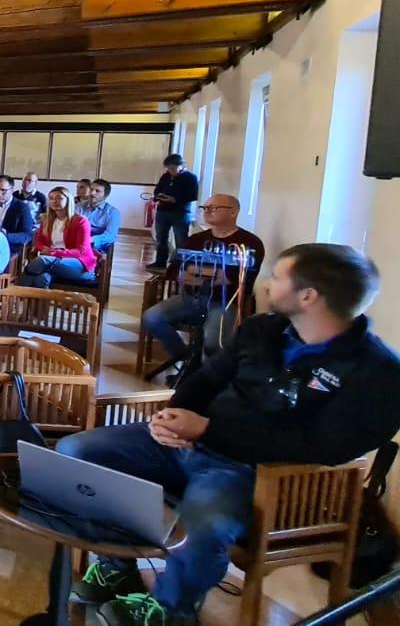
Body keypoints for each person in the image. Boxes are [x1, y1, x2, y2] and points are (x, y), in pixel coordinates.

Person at [61, 243, 400, 626]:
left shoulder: (378, 373)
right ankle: (117, 567)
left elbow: (324, 446)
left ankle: (171, 607)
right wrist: (172, 416)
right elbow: (207, 379)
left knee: (206, 524)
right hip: (191, 443)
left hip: (258, 474)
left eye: (277, 277)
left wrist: (209, 428)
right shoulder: (263, 329)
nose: (267, 284)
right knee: (77, 452)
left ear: (308, 296)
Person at [143, 193, 266, 365]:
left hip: (224, 302)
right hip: (190, 298)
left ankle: (209, 374)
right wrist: (207, 275)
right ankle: (186, 359)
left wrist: (196, 272)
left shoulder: (250, 243)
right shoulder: (196, 240)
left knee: (213, 342)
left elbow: (239, 280)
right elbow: (175, 270)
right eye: (205, 207)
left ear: (233, 212)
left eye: (213, 208)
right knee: (151, 318)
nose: (207, 211)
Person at [19, 187, 96, 289]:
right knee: (41, 278)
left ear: (68, 200)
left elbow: (81, 251)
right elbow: (38, 242)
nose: (54, 201)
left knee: (41, 261)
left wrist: (54, 252)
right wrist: (44, 249)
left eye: (59, 198)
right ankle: (32, 299)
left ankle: (16, 293)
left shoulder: (81, 221)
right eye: (51, 198)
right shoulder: (47, 221)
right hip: (53, 262)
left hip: (79, 264)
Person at [152, 153, 202, 270]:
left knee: (181, 240)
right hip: (163, 211)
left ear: (181, 166)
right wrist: (159, 196)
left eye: (173, 168)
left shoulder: (190, 178)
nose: (170, 171)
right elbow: (157, 190)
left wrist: (175, 199)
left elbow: (193, 195)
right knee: (160, 239)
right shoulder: (165, 176)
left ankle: (179, 266)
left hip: (180, 213)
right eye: (168, 168)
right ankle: (160, 262)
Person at [0, 175, 38, 254]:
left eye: (3, 190)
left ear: (11, 190)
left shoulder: (21, 207)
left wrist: (5, 236)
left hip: (7, 247)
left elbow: (27, 235)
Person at [82, 178, 122, 252]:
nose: (92, 193)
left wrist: (90, 240)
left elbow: (110, 236)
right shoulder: (78, 207)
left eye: (97, 191)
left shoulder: (113, 212)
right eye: (91, 189)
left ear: (105, 195)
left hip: (96, 246)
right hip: (77, 241)